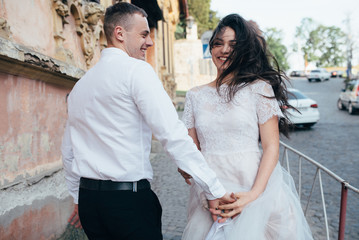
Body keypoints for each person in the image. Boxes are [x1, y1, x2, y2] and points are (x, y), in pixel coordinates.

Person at [61, 2, 232, 240]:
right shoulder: (137, 71)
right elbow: (172, 135)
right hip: (127, 203)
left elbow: (69, 152)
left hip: (90, 203)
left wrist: (78, 199)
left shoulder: (80, 86)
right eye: (143, 34)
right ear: (119, 33)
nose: (150, 42)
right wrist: (213, 188)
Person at [179, 14, 313, 239]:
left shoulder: (259, 89)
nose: (224, 50)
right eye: (218, 43)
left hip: (254, 188)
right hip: (211, 194)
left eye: (233, 44)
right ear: (211, 49)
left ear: (244, 50)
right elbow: (192, 152)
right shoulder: (194, 96)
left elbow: (271, 147)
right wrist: (190, 175)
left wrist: (254, 195)